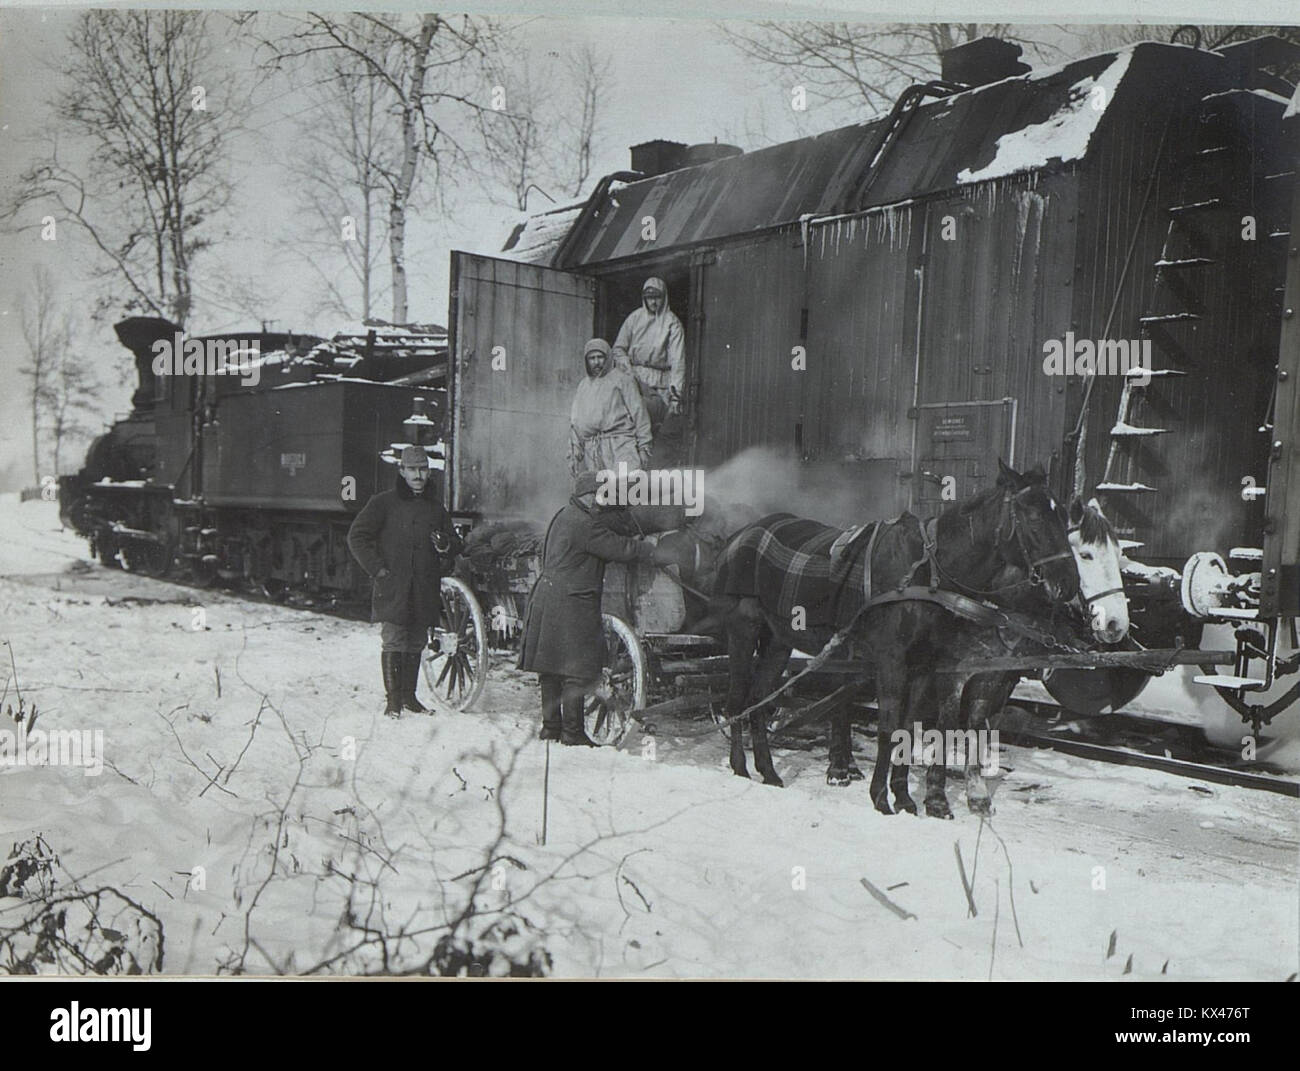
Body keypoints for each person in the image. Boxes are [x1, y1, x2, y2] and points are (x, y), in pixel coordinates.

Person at [518, 470, 672, 746]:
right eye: (600, 498)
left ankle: (551, 727)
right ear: (588, 496)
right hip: (572, 599)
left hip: (549, 595)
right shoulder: (585, 524)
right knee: (576, 668)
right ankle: (573, 733)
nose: (602, 504)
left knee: (551, 668)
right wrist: (649, 551)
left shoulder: (563, 515)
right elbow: (619, 548)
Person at [347, 445, 461, 717]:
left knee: (416, 642)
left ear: (429, 472)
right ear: (402, 471)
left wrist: (446, 545)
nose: (418, 475)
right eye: (412, 470)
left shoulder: (436, 508)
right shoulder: (383, 502)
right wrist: (378, 570)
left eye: (422, 469)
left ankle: (410, 699)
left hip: (423, 586)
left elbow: (455, 544)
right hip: (394, 586)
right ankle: (393, 702)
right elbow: (357, 536)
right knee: (394, 640)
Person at [611, 277, 685, 436]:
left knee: (654, 430)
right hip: (635, 379)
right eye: (649, 298)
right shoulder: (634, 318)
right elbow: (618, 349)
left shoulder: (672, 323)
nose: (653, 302)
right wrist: (627, 369)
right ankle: (624, 462)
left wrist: (675, 396)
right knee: (628, 428)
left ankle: (650, 461)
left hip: (660, 384)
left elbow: (678, 362)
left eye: (657, 297)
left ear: (664, 297)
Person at [569, 337, 652, 477]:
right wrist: (574, 451)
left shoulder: (623, 380)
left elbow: (639, 414)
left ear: (608, 357)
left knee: (625, 490)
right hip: (594, 450)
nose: (596, 362)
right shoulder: (583, 385)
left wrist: (644, 447)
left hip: (621, 446)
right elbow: (576, 421)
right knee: (600, 493)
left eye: (600, 357)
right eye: (592, 358)